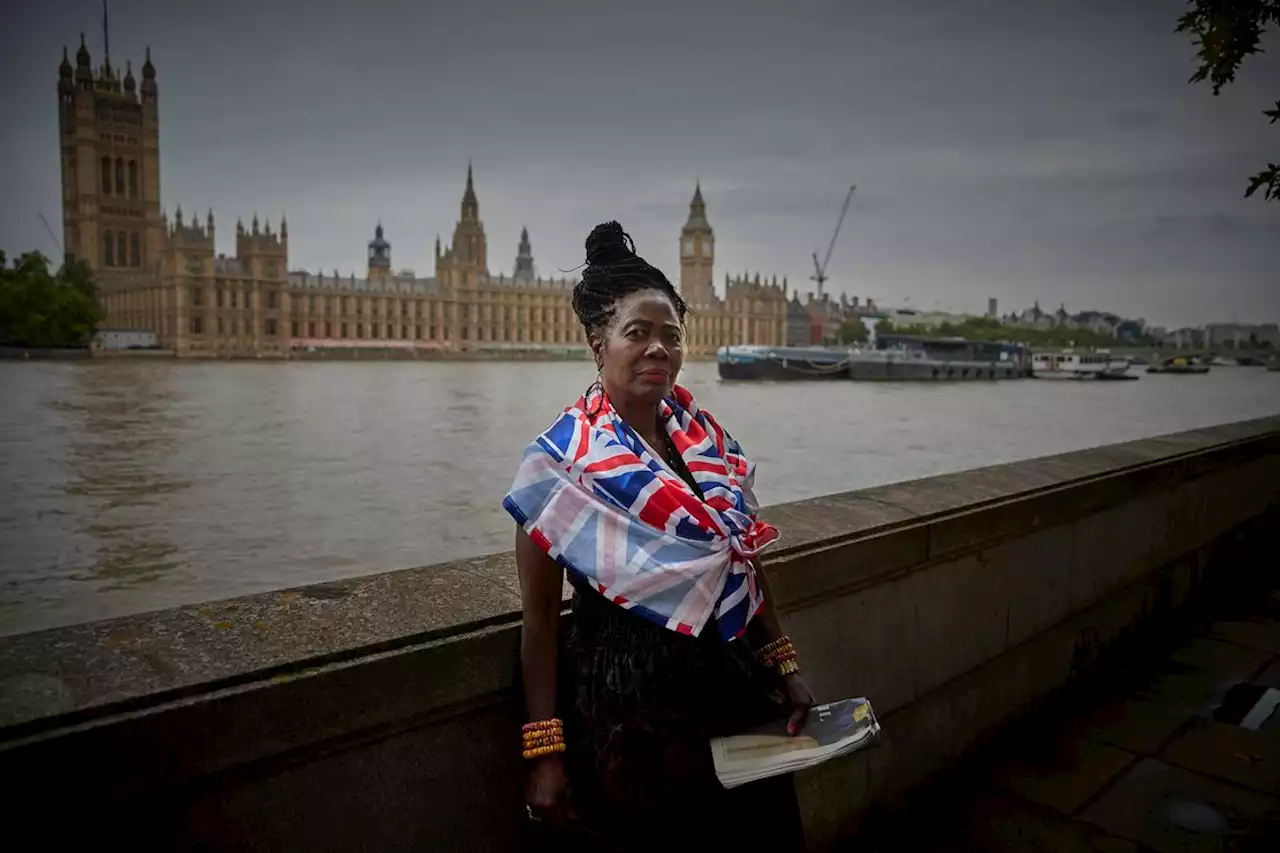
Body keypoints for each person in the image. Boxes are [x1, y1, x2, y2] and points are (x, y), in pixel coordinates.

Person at [503, 221, 814, 848]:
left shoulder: (707, 444)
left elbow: (742, 563)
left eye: (670, 336)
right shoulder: (560, 465)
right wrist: (544, 753)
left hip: (728, 681)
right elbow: (539, 621)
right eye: (637, 333)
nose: (657, 350)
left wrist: (783, 664)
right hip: (629, 707)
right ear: (598, 342)